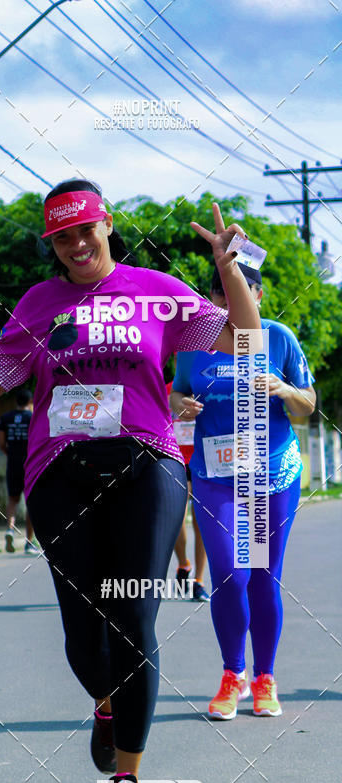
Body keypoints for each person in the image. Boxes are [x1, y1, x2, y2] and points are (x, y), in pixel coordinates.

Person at [0, 178, 260, 783]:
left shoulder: (156, 292)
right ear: (53, 244)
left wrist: (231, 274)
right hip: (60, 473)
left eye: (86, 228)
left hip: (148, 465)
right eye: (62, 236)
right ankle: (105, 702)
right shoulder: (40, 301)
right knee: (86, 637)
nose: (77, 243)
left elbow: (245, 341)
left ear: (107, 224)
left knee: (134, 619)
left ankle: (129, 781)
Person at [170, 264, 315, 721]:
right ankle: (233, 674)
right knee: (230, 574)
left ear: (258, 293)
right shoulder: (194, 344)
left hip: (271, 477)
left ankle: (265, 678)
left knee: (263, 576)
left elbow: (308, 407)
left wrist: (285, 388)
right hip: (216, 478)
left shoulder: (278, 338)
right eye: (222, 291)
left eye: (243, 291)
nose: (231, 300)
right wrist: (180, 404)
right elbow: (174, 394)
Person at [167, 378, 209, 601]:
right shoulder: (167, 390)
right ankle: (184, 564)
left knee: (202, 521)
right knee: (176, 519)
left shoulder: (209, 387)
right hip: (175, 460)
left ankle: (199, 582)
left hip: (205, 460)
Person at [0, 388, 37, 554]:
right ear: (30, 402)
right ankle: (29, 542)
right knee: (31, 502)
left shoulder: (5, 418)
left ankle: (10, 530)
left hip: (12, 462)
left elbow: (1, 443)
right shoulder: (33, 418)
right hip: (30, 463)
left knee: (13, 499)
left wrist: (11, 454)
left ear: (16, 401)